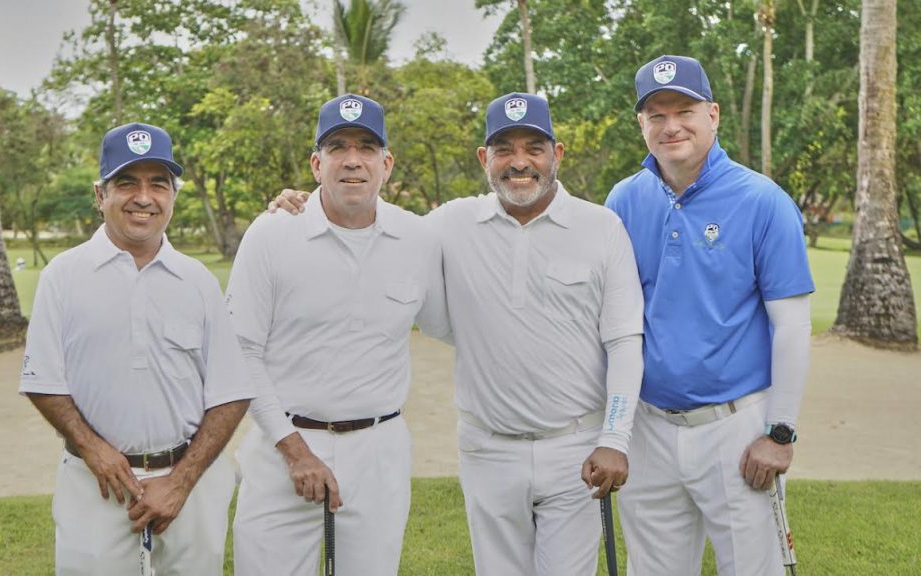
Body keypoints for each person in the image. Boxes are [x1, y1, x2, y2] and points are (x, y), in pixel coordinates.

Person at [270, 92, 646, 576]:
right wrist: (304, 203)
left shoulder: (602, 227)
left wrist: (615, 438)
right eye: (504, 149)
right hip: (487, 446)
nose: (519, 162)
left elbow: (624, 342)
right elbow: (370, 226)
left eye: (534, 147)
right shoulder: (449, 222)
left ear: (558, 154)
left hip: (577, 447)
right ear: (483, 158)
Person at [605, 55, 815, 576]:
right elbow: (613, 319)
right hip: (649, 427)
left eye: (684, 110)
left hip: (737, 430)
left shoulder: (763, 201)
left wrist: (781, 432)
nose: (670, 125)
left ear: (713, 114)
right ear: (642, 125)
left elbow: (791, 325)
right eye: (656, 114)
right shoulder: (623, 200)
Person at [225, 94, 450, 575]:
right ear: (315, 163)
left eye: (367, 147)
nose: (353, 159)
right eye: (337, 147)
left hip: (379, 450)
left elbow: (450, 324)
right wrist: (293, 448)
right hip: (282, 447)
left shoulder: (419, 238)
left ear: (386, 164)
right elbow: (241, 350)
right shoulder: (271, 234)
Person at [19, 122, 254, 576]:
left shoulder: (198, 280)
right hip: (97, 483)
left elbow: (232, 391)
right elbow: (43, 380)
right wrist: (94, 451)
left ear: (172, 195)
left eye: (157, 184)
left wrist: (182, 480)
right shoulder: (63, 277)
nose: (143, 197)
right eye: (126, 182)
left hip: (191, 483)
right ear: (99, 194)